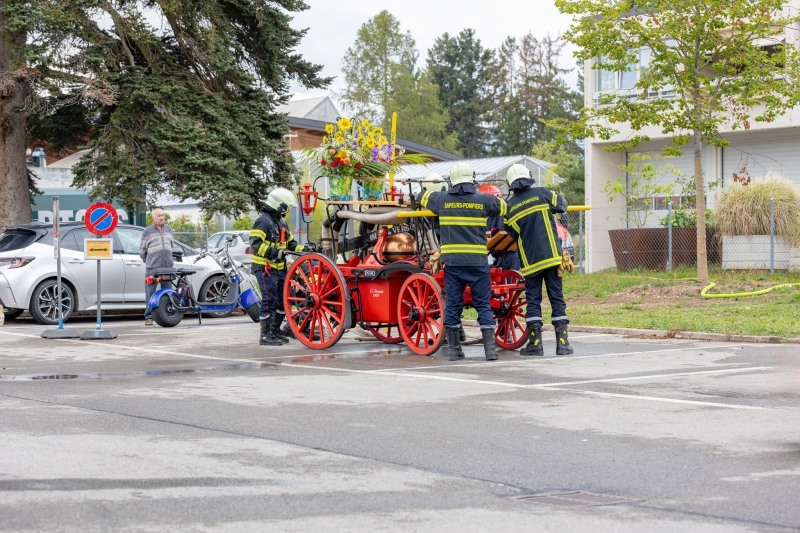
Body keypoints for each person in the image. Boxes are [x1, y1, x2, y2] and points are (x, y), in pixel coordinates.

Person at [417, 162, 506, 361]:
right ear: (471, 179)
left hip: (453, 264)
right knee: (483, 304)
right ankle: (490, 351)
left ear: (452, 181)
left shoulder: (441, 199)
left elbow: (420, 197)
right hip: (477, 262)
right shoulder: (483, 199)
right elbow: (503, 206)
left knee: (454, 305)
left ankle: (455, 351)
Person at [503, 164, 574, 356]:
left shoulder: (509, 208)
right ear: (529, 177)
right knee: (557, 298)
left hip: (530, 261)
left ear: (511, 184)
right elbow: (562, 204)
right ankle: (563, 344)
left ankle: (535, 344)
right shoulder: (542, 194)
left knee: (533, 301)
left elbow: (512, 233)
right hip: (552, 256)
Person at [250, 187, 307, 346]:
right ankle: (265, 335)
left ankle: (275, 330)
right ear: (280, 205)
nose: (288, 210)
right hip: (265, 268)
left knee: (283, 300)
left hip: (279, 268)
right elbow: (255, 244)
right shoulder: (263, 221)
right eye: (287, 207)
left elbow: (290, 244)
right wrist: (275, 253)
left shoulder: (281, 221)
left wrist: (305, 249)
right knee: (270, 300)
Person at [140, 207, 174, 326]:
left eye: (163, 215)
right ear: (153, 217)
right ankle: (149, 317)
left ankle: (168, 314)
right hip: (152, 268)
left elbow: (171, 245)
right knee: (150, 292)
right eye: (159, 215)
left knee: (168, 292)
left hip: (167, 267)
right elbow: (142, 251)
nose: (161, 217)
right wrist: (149, 261)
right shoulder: (147, 231)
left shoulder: (169, 229)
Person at [479, 183, 521, 272]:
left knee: (507, 283)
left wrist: (492, 255)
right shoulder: (489, 217)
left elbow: (502, 237)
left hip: (507, 255)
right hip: (498, 256)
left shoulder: (499, 215)